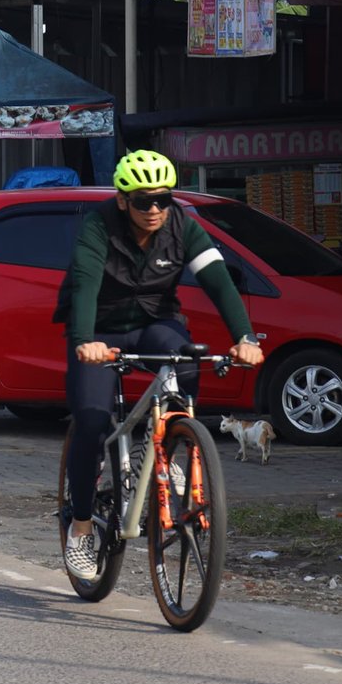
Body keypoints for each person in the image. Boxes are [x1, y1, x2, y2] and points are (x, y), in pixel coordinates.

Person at [56, 149, 264, 582]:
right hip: (101, 330)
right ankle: (81, 527)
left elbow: (218, 282)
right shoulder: (98, 227)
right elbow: (84, 287)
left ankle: (167, 449)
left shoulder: (182, 227)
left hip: (155, 322)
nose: (154, 209)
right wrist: (84, 342)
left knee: (186, 361)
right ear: (122, 200)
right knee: (91, 422)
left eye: (163, 199)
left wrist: (244, 338)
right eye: (143, 201)